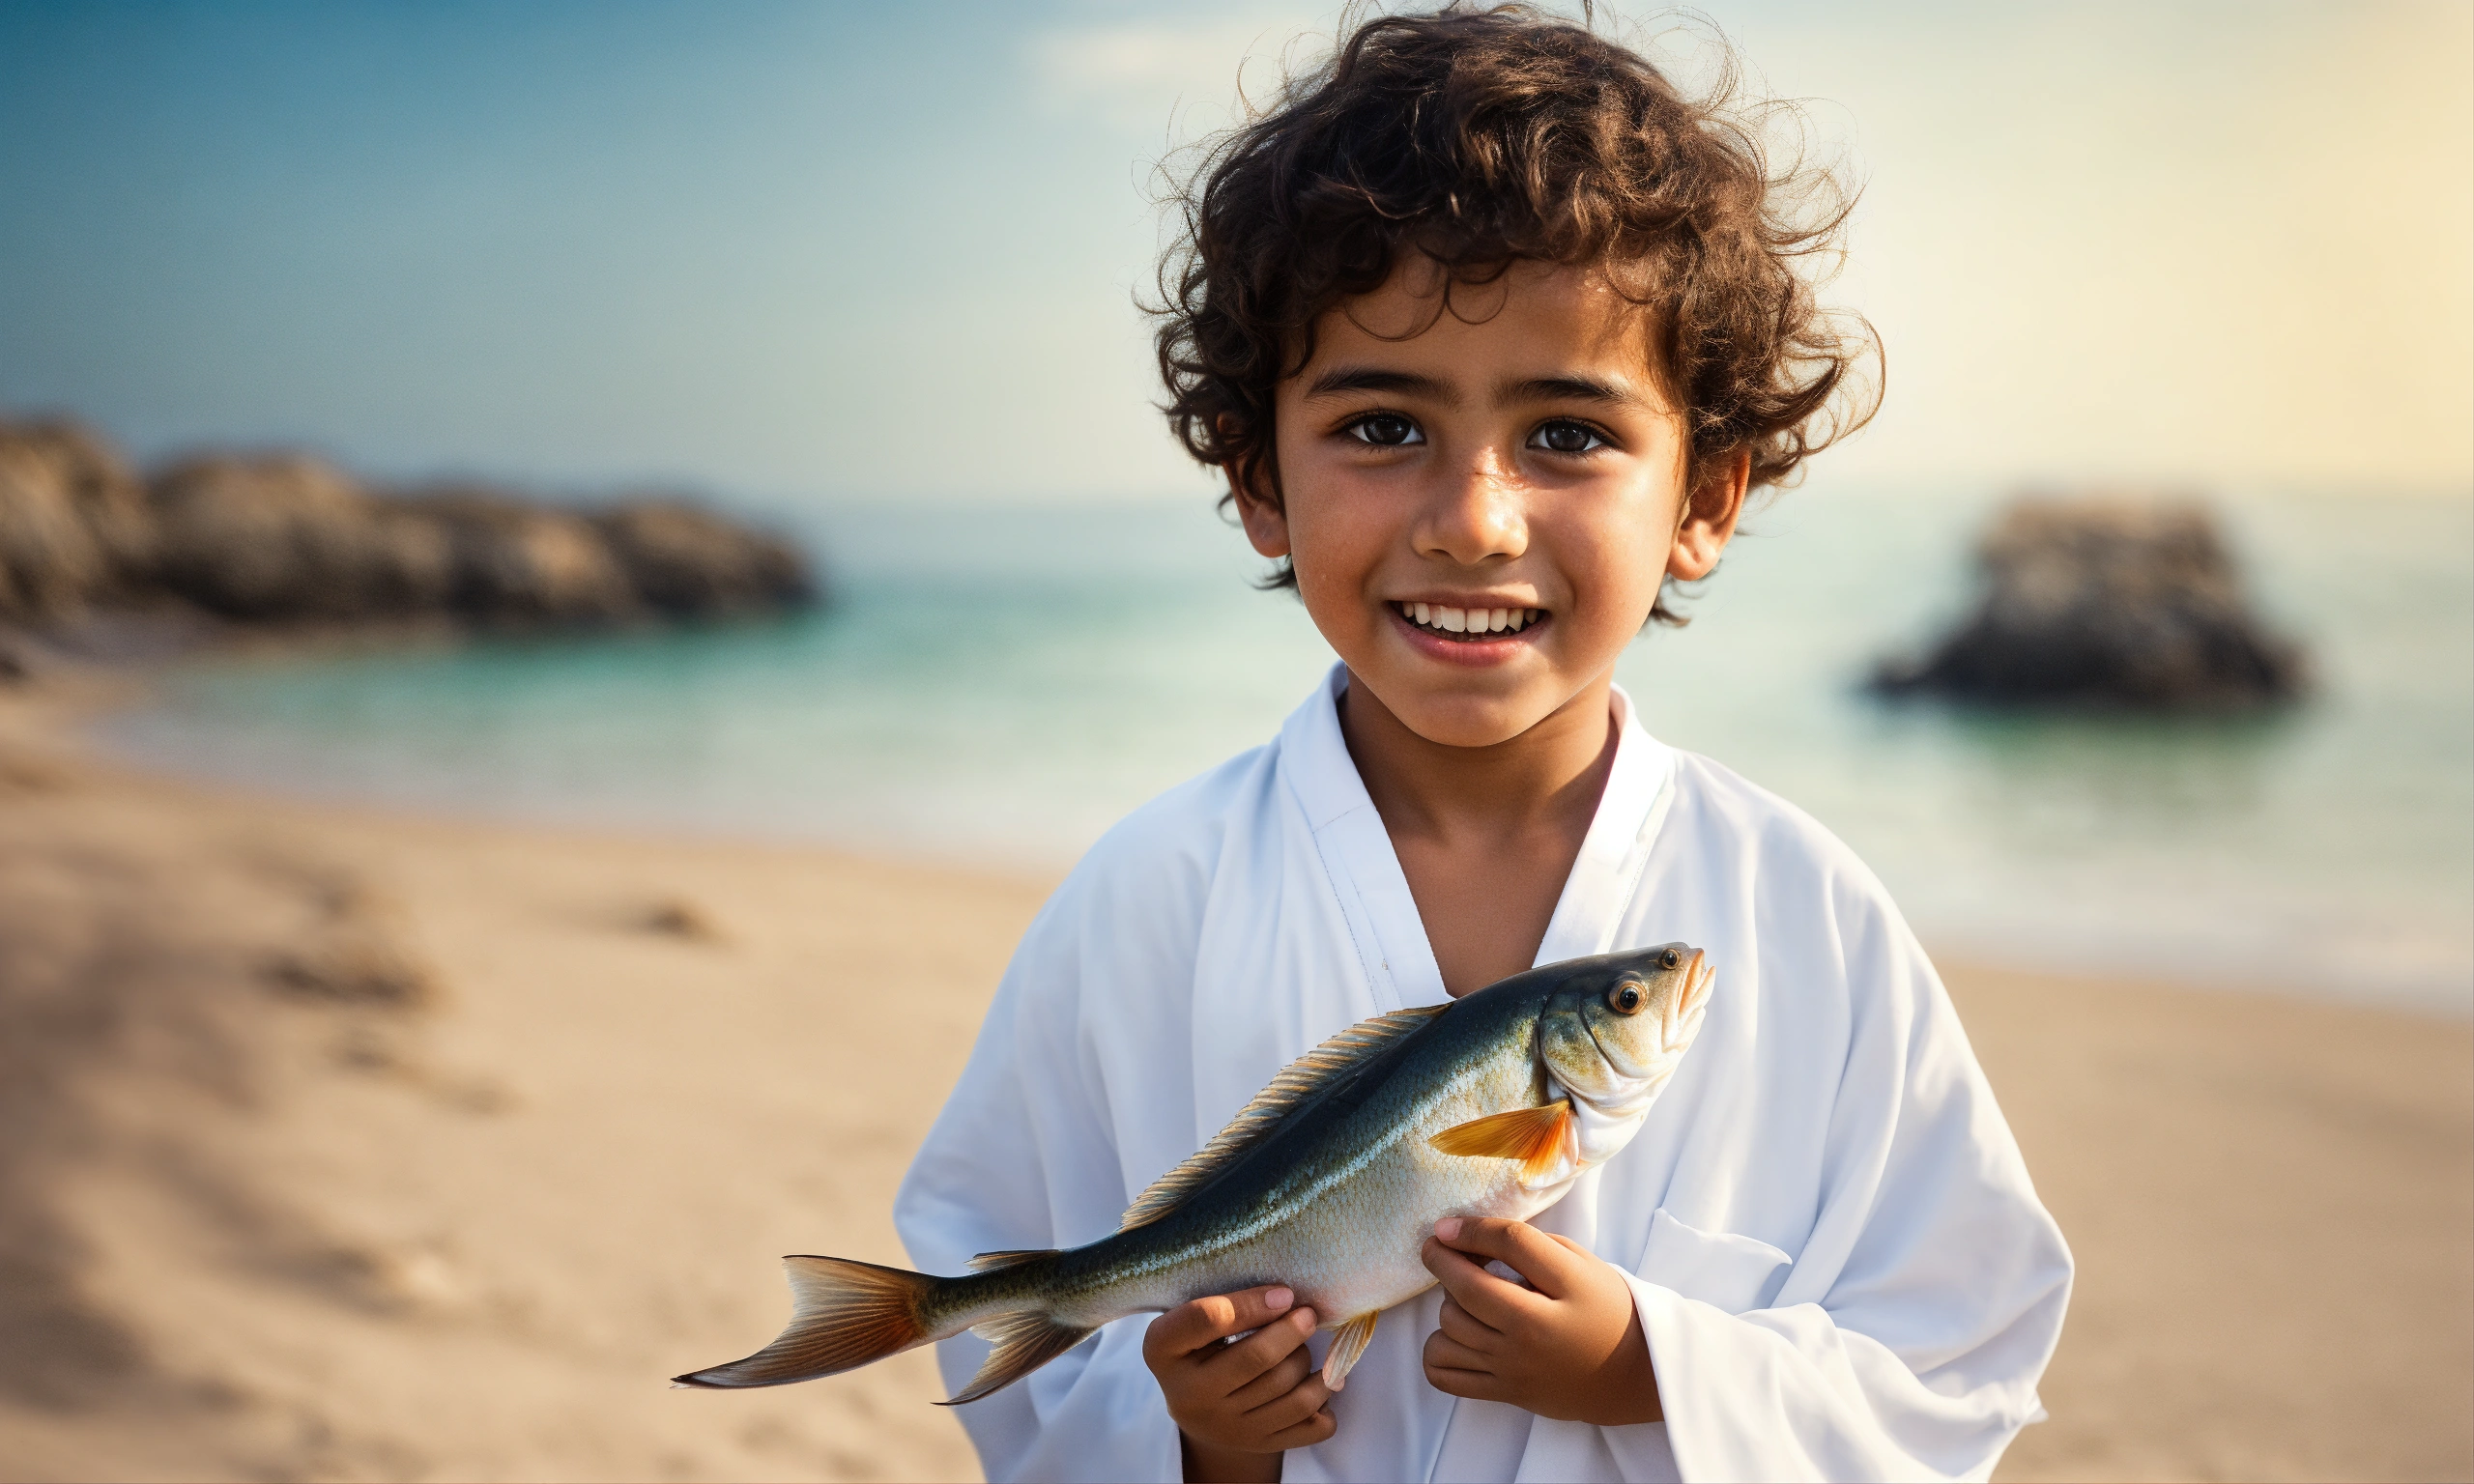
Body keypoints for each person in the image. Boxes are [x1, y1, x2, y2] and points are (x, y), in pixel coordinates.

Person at [893, 7, 2071, 1480]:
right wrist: (1202, 1439)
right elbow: (999, 1317)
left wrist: (1657, 1368)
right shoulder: (1150, 898)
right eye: (1383, 427)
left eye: (1569, 433)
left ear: (1704, 496)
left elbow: (1966, 1351)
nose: (1473, 518)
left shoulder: (1803, 912)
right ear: (1261, 479)